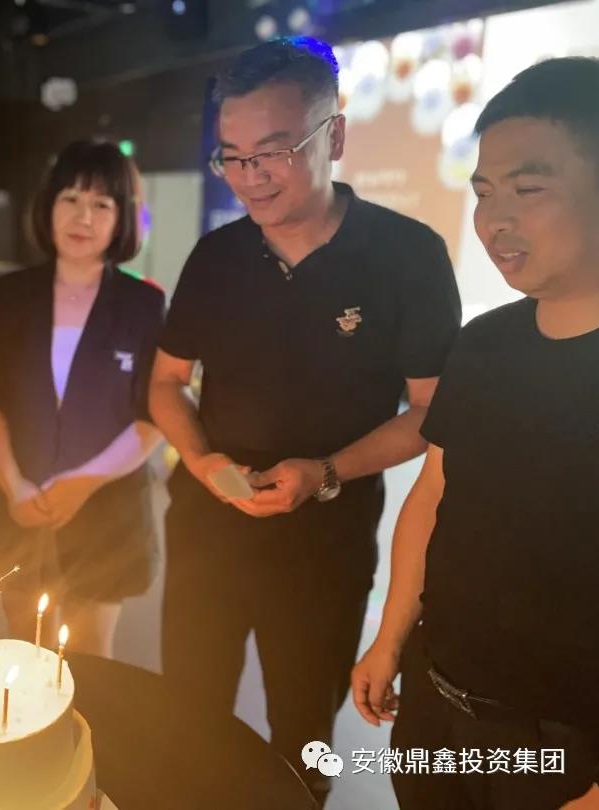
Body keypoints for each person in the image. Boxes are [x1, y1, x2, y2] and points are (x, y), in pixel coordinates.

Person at [148, 37, 462, 804]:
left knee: (303, 739)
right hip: (208, 529)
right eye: (233, 157)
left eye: (274, 152)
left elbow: (433, 412)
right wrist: (202, 461)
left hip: (326, 542)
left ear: (335, 135)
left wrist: (325, 472)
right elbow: (165, 383)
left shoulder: (406, 256)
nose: (250, 177)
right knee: (184, 720)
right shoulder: (217, 256)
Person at [352, 57, 599, 810]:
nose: (495, 220)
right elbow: (434, 493)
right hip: (439, 706)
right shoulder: (484, 343)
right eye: (485, 192)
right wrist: (390, 637)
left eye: (529, 189)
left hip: (564, 745)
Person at [0, 140, 164, 656]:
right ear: (48, 205)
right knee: (24, 654)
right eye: (71, 199)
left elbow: (152, 416)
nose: (84, 217)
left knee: (90, 659)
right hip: (18, 501)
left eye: (102, 204)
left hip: (107, 507)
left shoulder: (144, 304)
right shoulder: (10, 295)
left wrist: (82, 483)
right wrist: (14, 486)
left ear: (122, 218)